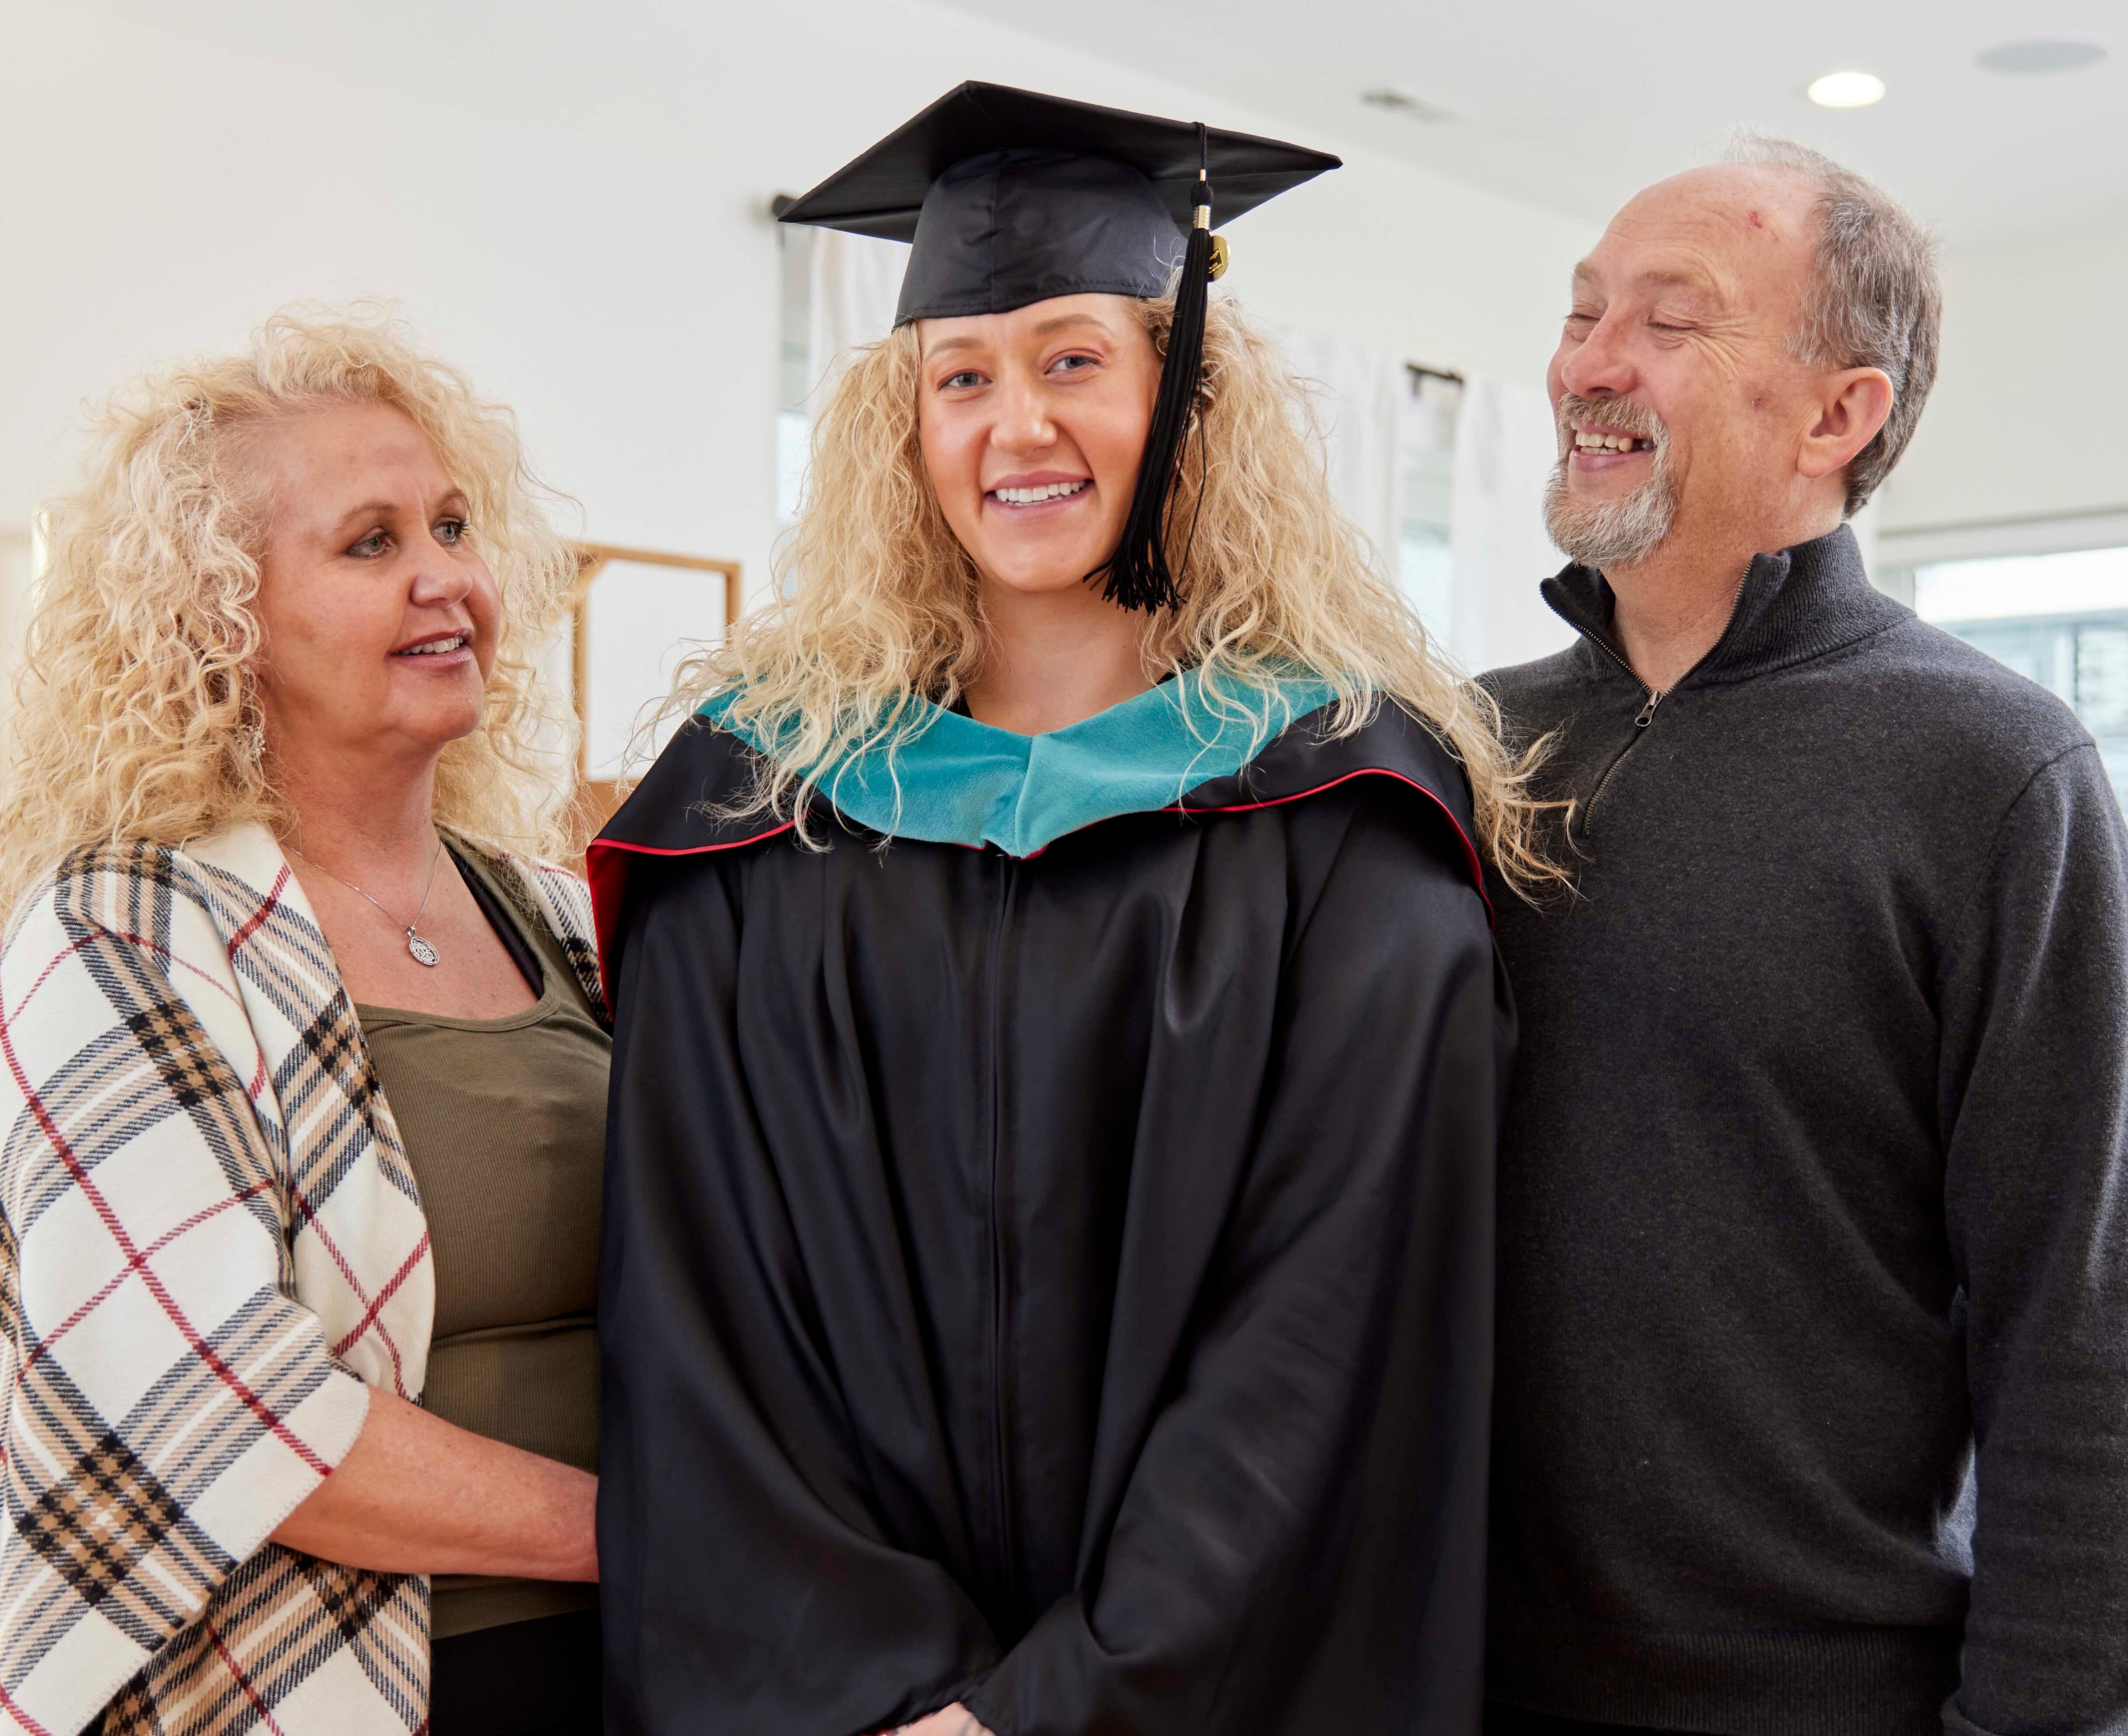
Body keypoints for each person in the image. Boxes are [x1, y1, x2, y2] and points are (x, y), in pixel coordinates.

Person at [591, 82, 1549, 1736]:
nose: (1015, 426)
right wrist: (881, 1697)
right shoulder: (752, 815)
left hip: (1202, 1688)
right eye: (962, 375)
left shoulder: (1347, 823)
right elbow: (700, 1316)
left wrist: (1044, 1714)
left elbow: (1329, 1335)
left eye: (1074, 361)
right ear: (903, 429)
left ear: (1187, 400)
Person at [1481, 136, 2128, 1734]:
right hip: (1455, 1677)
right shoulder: (1464, 750)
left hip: (1833, 1699)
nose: (1589, 364)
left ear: (1840, 416)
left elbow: (2080, 1322)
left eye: (1668, 320)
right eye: (1581, 311)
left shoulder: (1997, 772)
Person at [0, 311, 611, 1736]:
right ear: (225, 619)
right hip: (318, 1684)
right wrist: (656, 1536)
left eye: (452, 526)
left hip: (662, 1661)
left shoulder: (558, 912)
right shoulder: (125, 926)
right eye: (370, 544)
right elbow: (215, 1406)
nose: (446, 577)